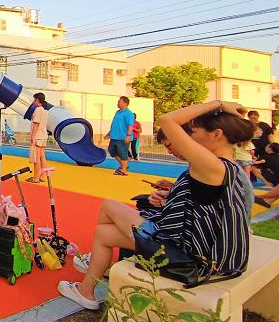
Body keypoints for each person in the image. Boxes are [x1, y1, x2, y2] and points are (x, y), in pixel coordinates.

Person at [58, 100, 252, 310]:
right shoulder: (227, 168)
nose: (191, 137)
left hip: (190, 258)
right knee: (103, 233)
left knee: (109, 206)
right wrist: (172, 194)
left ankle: (90, 281)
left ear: (216, 134)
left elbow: (168, 120)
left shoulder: (213, 166)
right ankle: (88, 287)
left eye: (194, 132)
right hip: (201, 252)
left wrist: (219, 103)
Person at [105, 96, 135, 176]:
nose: (117, 103)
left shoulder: (129, 113)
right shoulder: (117, 112)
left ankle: (124, 170)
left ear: (125, 103)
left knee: (122, 153)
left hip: (122, 137)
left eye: (119, 102)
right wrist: (109, 133)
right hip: (114, 136)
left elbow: (130, 125)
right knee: (111, 150)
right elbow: (115, 124)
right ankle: (124, 165)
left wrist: (128, 135)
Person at [28, 92, 48, 183]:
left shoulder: (38, 110)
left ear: (37, 100)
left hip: (38, 136)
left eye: (34, 99)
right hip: (43, 135)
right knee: (42, 157)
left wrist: (32, 137)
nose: (33, 101)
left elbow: (36, 124)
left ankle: (36, 177)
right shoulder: (45, 111)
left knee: (36, 158)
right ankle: (43, 176)